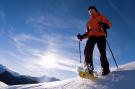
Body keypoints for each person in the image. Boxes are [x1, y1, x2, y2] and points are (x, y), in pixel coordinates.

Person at [77, 6, 111, 75]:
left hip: (101, 36)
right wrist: (81, 37)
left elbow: (109, 24)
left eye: (92, 10)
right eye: (89, 11)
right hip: (92, 37)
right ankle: (89, 70)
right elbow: (87, 33)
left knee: (102, 52)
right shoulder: (88, 22)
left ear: (95, 11)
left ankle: (105, 70)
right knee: (87, 50)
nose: (91, 12)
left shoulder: (101, 17)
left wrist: (104, 25)